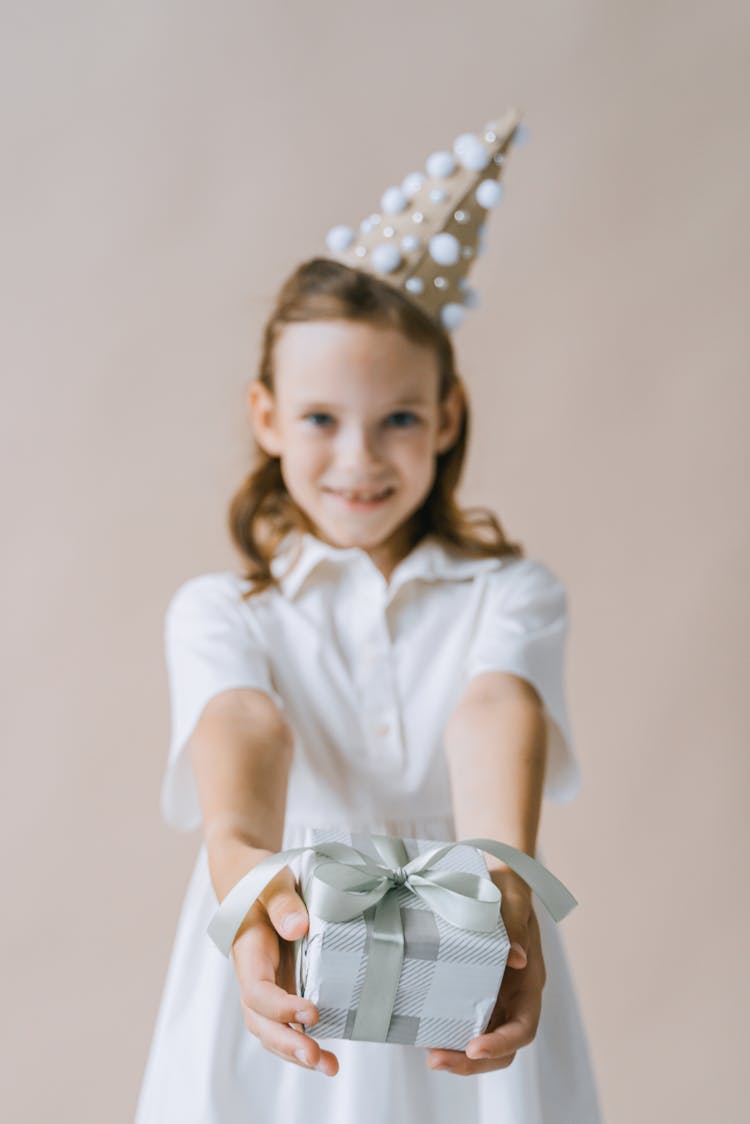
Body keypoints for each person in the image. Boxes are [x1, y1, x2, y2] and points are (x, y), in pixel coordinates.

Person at [135, 115, 603, 1123]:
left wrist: (503, 871)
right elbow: (244, 737)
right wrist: (247, 881)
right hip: (288, 966)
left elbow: (493, 709)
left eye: (397, 416)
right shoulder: (225, 610)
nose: (360, 457)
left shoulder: (509, 593)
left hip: (471, 952)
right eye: (319, 419)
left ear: (446, 416)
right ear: (267, 417)